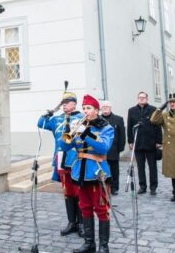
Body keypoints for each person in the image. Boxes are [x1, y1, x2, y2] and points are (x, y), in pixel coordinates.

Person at [61, 94, 114, 253]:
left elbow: (104, 147)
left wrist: (85, 132)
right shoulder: (79, 125)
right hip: (80, 173)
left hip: (97, 172)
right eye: (83, 108)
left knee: (101, 209)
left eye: (89, 108)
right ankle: (89, 243)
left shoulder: (106, 127)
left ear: (96, 110)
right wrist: (69, 132)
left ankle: (104, 246)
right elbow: (64, 147)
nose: (85, 111)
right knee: (84, 207)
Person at [37, 91, 84, 236]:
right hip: (61, 160)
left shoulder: (82, 118)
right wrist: (51, 111)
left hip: (77, 159)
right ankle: (72, 222)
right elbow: (40, 123)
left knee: (79, 193)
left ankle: (82, 223)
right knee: (68, 192)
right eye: (62, 103)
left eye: (67, 103)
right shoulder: (57, 119)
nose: (64, 105)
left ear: (74, 104)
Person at [127, 91, 162, 196]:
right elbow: (129, 126)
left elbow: (158, 126)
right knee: (140, 167)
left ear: (147, 99)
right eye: (140, 97)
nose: (141, 99)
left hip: (151, 142)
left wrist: (158, 141)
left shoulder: (153, 109)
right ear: (137, 99)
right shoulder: (131, 110)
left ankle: (153, 187)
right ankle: (142, 186)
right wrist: (130, 141)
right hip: (138, 143)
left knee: (152, 166)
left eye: (144, 97)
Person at [101, 101, 125, 195]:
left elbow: (122, 135)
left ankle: (114, 187)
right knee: (103, 169)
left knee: (114, 170)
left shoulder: (118, 119)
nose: (105, 109)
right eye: (103, 107)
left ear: (110, 108)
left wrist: (120, 148)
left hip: (114, 149)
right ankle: (105, 186)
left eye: (107, 107)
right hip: (102, 150)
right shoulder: (97, 119)